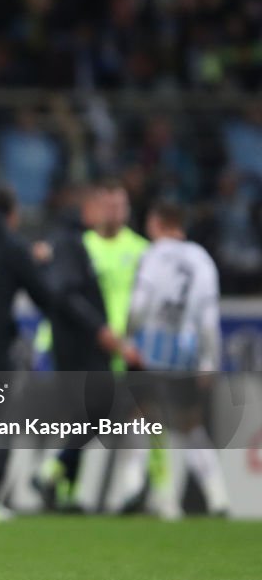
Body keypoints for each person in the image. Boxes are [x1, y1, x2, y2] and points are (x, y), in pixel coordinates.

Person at [0, 186, 138, 521]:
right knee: (4, 419)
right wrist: (35, 264)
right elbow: (44, 295)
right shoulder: (10, 247)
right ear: (10, 216)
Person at [34, 183, 149, 508]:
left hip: (126, 345)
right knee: (82, 414)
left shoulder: (141, 250)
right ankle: (65, 486)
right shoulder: (78, 246)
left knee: (134, 415)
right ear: (95, 208)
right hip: (86, 342)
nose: (113, 212)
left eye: (119, 205)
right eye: (107, 205)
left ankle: (133, 487)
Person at [123, 200, 229, 517]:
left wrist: (128, 336)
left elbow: (140, 304)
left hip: (152, 349)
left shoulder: (153, 256)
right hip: (185, 352)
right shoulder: (202, 259)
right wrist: (209, 360)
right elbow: (209, 319)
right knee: (190, 425)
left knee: (144, 419)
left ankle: (141, 490)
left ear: (156, 223)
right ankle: (218, 497)